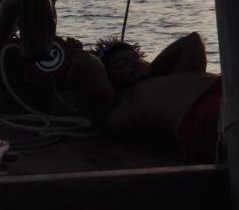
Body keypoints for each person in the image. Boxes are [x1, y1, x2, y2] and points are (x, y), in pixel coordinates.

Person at [60, 32, 222, 162]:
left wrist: (149, 70)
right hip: (203, 115)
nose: (133, 63)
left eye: (136, 59)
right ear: (107, 79)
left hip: (225, 92)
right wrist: (72, 52)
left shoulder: (172, 77)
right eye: (120, 65)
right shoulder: (116, 107)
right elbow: (87, 61)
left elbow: (192, 41)